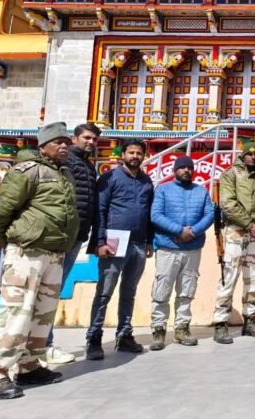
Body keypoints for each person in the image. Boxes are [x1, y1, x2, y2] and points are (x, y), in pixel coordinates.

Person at [0, 122, 79, 400]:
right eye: (57, 142)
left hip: (54, 253)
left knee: (42, 314)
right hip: (27, 253)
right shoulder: (27, 171)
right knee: (17, 311)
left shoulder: (64, 174)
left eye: (66, 142)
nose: (64, 146)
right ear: (43, 145)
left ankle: (29, 365)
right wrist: (11, 241)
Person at [85, 139, 154, 360]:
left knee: (129, 292)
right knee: (105, 292)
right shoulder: (109, 178)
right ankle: (94, 337)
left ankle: (124, 334)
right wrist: (100, 241)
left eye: (139, 153)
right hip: (114, 240)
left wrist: (149, 241)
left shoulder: (146, 181)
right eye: (131, 152)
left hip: (138, 242)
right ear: (123, 154)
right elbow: (101, 211)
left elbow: (149, 213)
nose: (135, 156)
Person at [45, 122, 100, 365]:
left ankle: (42, 342)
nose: (90, 142)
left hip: (76, 235)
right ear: (74, 138)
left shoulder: (87, 166)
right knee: (47, 290)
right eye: (86, 137)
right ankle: (42, 344)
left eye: (94, 139)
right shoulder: (67, 162)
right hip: (60, 234)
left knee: (53, 288)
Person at [212, 140, 255, 344]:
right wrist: (249, 224)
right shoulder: (230, 174)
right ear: (243, 155)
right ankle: (221, 323)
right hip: (235, 232)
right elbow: (227, 203)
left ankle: (250, 321)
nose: (253, 157)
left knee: (253, 279)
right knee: (228, 277)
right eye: (250, 154)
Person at [149, 156, 214, 350]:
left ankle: (182, 328)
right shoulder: (163, 190)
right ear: (175, 170)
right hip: (168, 248)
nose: (186, 170)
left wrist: (192, 232)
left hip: (192, 248)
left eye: (189, 168)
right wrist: (179, 231)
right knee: (162, 289)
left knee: (187, 291)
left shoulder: (201, 191)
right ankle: (158, 330)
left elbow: (210, 214)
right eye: (182, 167)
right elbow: (155, 215)